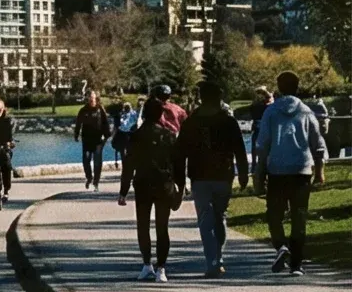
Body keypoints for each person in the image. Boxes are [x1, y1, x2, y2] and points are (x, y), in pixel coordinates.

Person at [252, 70, 329, 275]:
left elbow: (263, 144)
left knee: (274, 214)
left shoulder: (271, 112)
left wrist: (259, 172)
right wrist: (319, 169)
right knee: (299, 215)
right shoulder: (306, 111)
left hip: (277, 170)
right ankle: (297, 264)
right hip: (301, 170)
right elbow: (318, 143)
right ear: (297, 87)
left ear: (279, 87)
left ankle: (281, 245)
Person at [178, 84, 250, 278]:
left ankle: (212, 261)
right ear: (219, 98)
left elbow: (179, 153)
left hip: (200, 176)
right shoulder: (228, 121)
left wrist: (179, 179)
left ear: (201, 98)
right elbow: (240, 150)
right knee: (220, 217)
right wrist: (243, 173)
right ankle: (217, 258)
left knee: (205, 219)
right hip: (222, 175)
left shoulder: (192, 122)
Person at [125, 90, 183, 281]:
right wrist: (180, 186)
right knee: (162, 227)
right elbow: (178, 163)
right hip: (164, 184)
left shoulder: (136, 136)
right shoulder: (168, 135)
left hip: (142, 184)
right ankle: (162, 268)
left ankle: (146, 263)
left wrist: (123, 191)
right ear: (160, 114)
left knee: (143, 226)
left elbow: (129, 164)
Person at [75, 90, 111, 192]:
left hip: (98, 140)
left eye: (93, 97)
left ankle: (96, 182)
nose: (91, 99)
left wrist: (107, 135)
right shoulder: (83, 110)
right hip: (87, 139)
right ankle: (89, 177)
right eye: (89, 97)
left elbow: (106, 123)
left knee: (97, 162)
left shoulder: (100, 109)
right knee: (86, 160)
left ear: (96, 98)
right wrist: (76, 134)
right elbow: (78, 123)